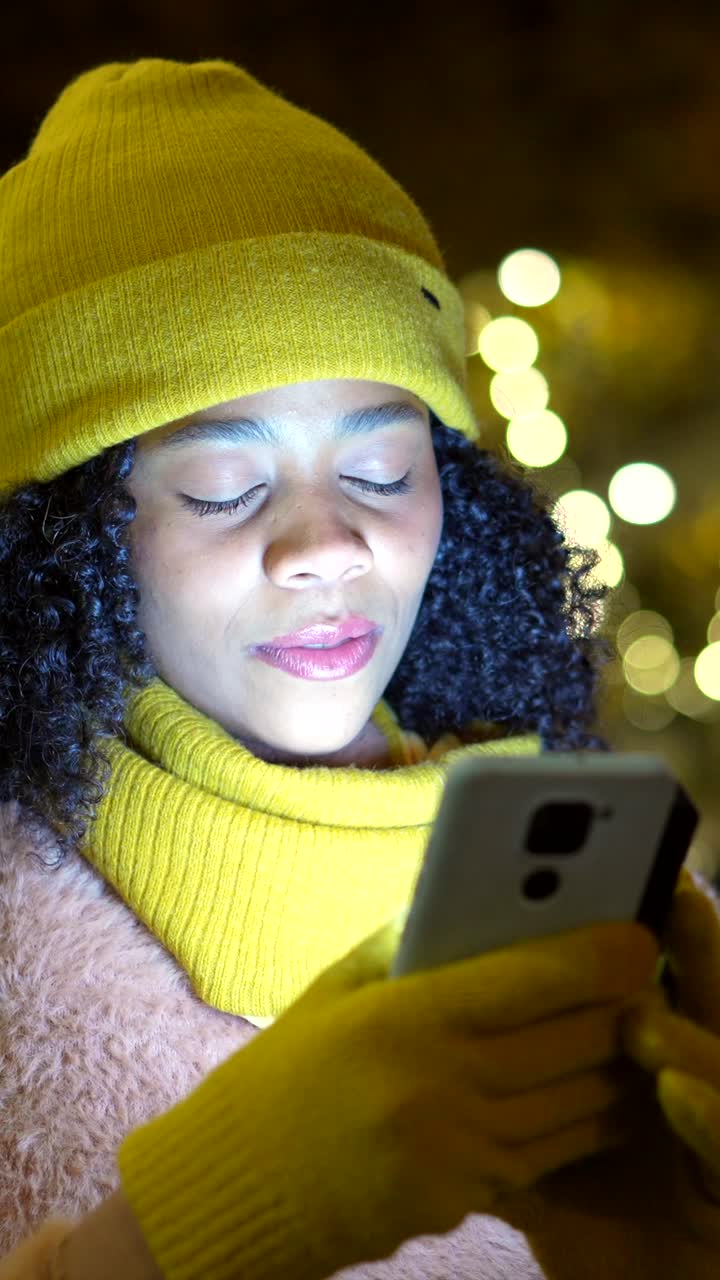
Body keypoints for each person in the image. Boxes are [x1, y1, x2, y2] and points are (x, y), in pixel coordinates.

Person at [0, 55, 719, 1280]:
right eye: (225, 484)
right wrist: (182, 1230)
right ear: (66, 538)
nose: (328, 543)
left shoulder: (606, 895)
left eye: (383, 470)